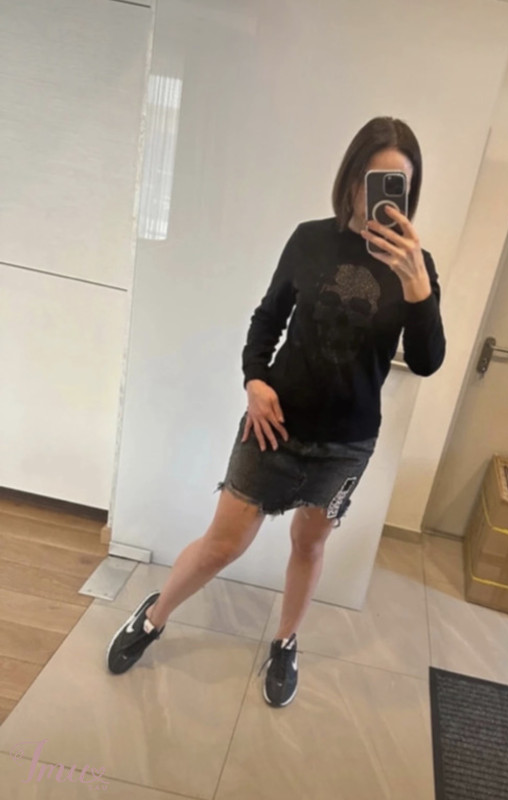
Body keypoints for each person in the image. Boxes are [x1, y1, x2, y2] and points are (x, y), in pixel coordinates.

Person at [106, 116, 446, 707]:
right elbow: (268, 319)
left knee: (309, 545)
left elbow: (426, 361)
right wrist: (254, 380)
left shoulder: (417, 267)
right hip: (274, 428)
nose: (383, 198)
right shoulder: (309, 240)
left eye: (399, 185)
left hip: (347, 445)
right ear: (352, 179)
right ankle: (153, 617)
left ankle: (286, 642)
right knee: (222, 545)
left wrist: (418, 287)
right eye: (374, 180)